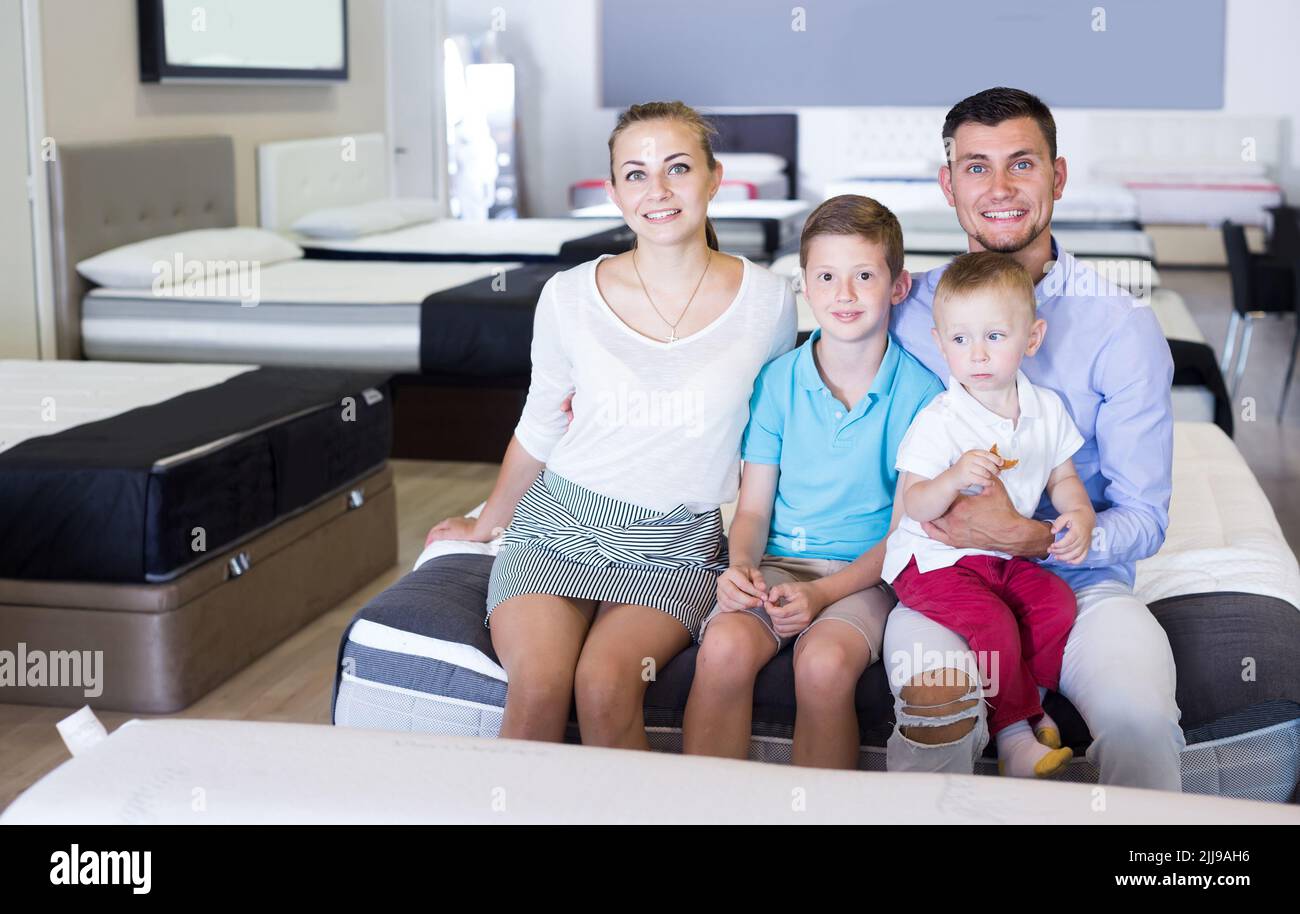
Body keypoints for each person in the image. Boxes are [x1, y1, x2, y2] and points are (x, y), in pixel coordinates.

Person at [425, 100, 797, 748]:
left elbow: (771, 441)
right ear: (613, 192)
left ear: (714, 179)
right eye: (635, 173)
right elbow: (540, 424)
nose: (657, 191)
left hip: (673, 546)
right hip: (558, 527)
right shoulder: (569, 295)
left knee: (605, 684)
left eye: (678, 168)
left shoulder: (767, 302)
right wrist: (485, 524)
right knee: (539, 687)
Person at [886, 87, 1183, 790]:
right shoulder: (905, 313)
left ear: (1058, 176)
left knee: (1140, 720)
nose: (999, 188)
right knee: (938, 719)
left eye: (1022, 164)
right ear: (948, 183)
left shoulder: (1120, 326)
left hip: (1078, 586)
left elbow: (1145, 517)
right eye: (976, 167)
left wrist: (1034, 538)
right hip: (943, 578)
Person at [684, 195, 943, 769]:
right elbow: (751, 511)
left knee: (823, 665)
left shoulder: (923, 395)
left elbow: (903, 536)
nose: (843, 294)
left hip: (866, 579)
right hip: (778, 565)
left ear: (898, 287)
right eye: (826, 276)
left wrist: (823, 595)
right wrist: (742, 567)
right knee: (723, 646)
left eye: (864, 276)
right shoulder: (777, 382)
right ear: (804, 284)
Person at [883, 251, 1095, 778]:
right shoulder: (941, 420)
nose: (976, 353)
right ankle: (1014, 736)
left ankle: (1028, 697)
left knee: (1055, 602)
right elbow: (916, 504)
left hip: (999, 557)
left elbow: (1063, 478)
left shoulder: (1045, 408)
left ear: (1032, 338)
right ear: (941, 344)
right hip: (932, 563)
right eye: (960, 340)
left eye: (994, 337)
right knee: (993, 621)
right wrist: (953, 477)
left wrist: (1079, 515)